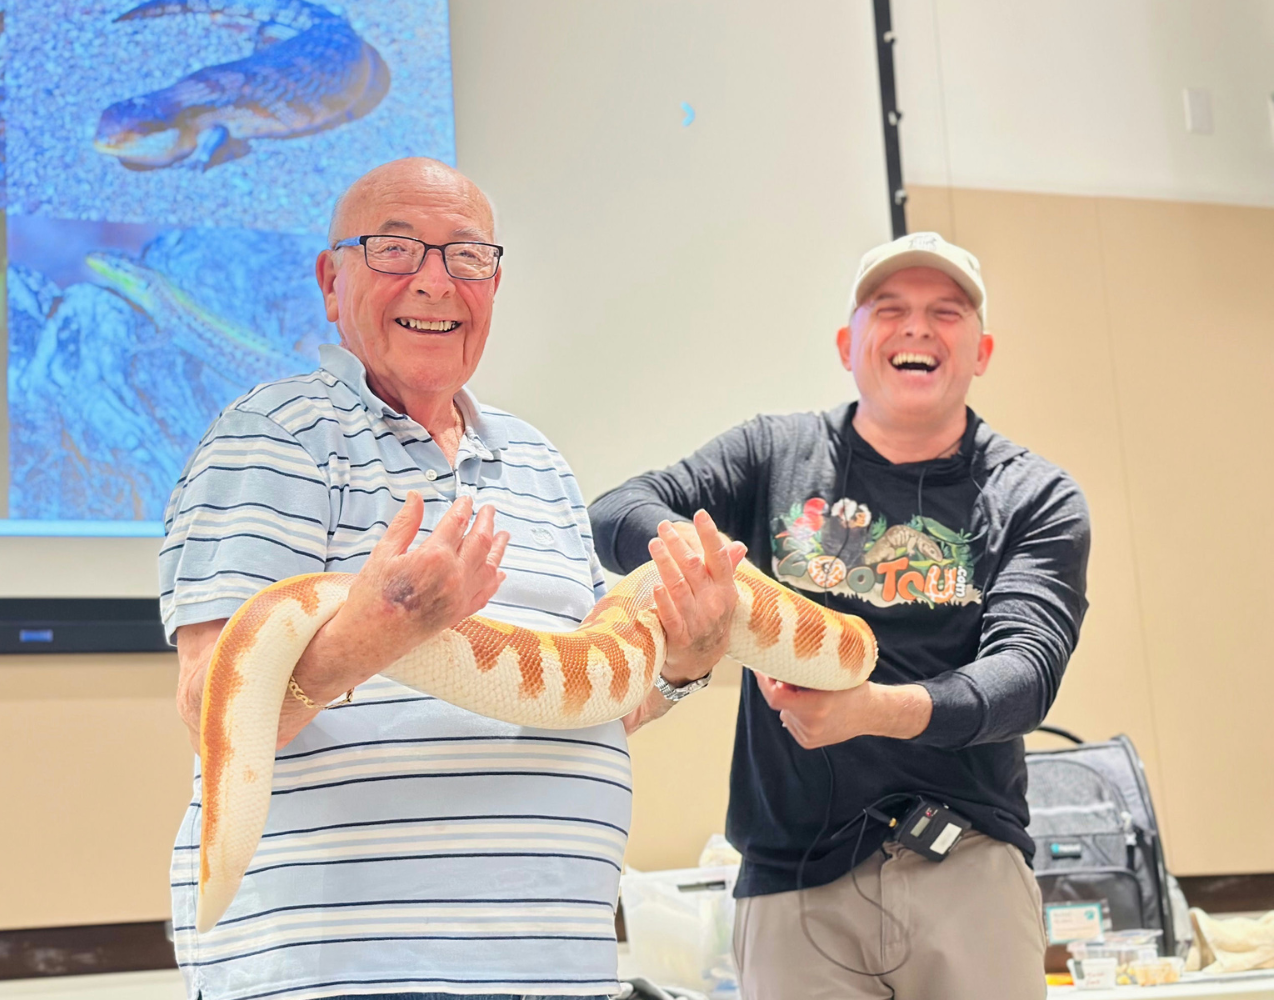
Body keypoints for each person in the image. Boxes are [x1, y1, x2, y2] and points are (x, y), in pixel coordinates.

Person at [157, 157, 742, 1000]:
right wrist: (382, 634)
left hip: (559, 967)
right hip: (348, 974)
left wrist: (685, 663)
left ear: (493, 286)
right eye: (394, 249)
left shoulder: (539, 461)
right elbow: (211, 707)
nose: (434, 282)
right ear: (331, 283)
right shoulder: (275, 436)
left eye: (466, 256)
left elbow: (591, 703)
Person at [589, 232, 1090, 999]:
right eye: (889, 309)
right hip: (794, 885)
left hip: (972, 868)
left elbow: (1024, 676)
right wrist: (702, 561)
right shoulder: (773, 453)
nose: (916, 326)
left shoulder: (1036, 497)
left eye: (945, 312)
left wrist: (876, 711)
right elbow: (617, 510)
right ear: (845, 345)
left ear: (982, 351)